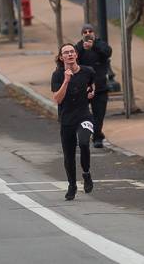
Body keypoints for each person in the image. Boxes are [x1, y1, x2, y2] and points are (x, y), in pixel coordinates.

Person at [51, 43, 96, 200]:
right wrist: (66, 80)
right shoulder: (57, 75)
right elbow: (57, 99)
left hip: (84, 115)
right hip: (67, 119)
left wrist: (91, 92)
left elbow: (92, 86)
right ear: (61, 57)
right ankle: (72, 185)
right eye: (66, 52)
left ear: (76, 55)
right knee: (69, 155)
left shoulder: (87, 71)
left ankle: (86, 173)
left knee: (84, 142)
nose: (69, 54)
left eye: (72, 52)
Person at [74, 23, 113, 148]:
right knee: (83, 114)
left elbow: (107, 52)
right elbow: (73, 60)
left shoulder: (100, 44)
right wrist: (83, 48)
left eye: (90, 31)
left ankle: (97, 137)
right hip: (84, 88)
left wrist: (94, 45)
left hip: (100, 87)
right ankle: (85, 135)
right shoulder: (78, 47)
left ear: (94, 33)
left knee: (99, 114)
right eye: (84, 32)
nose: (87, 34)